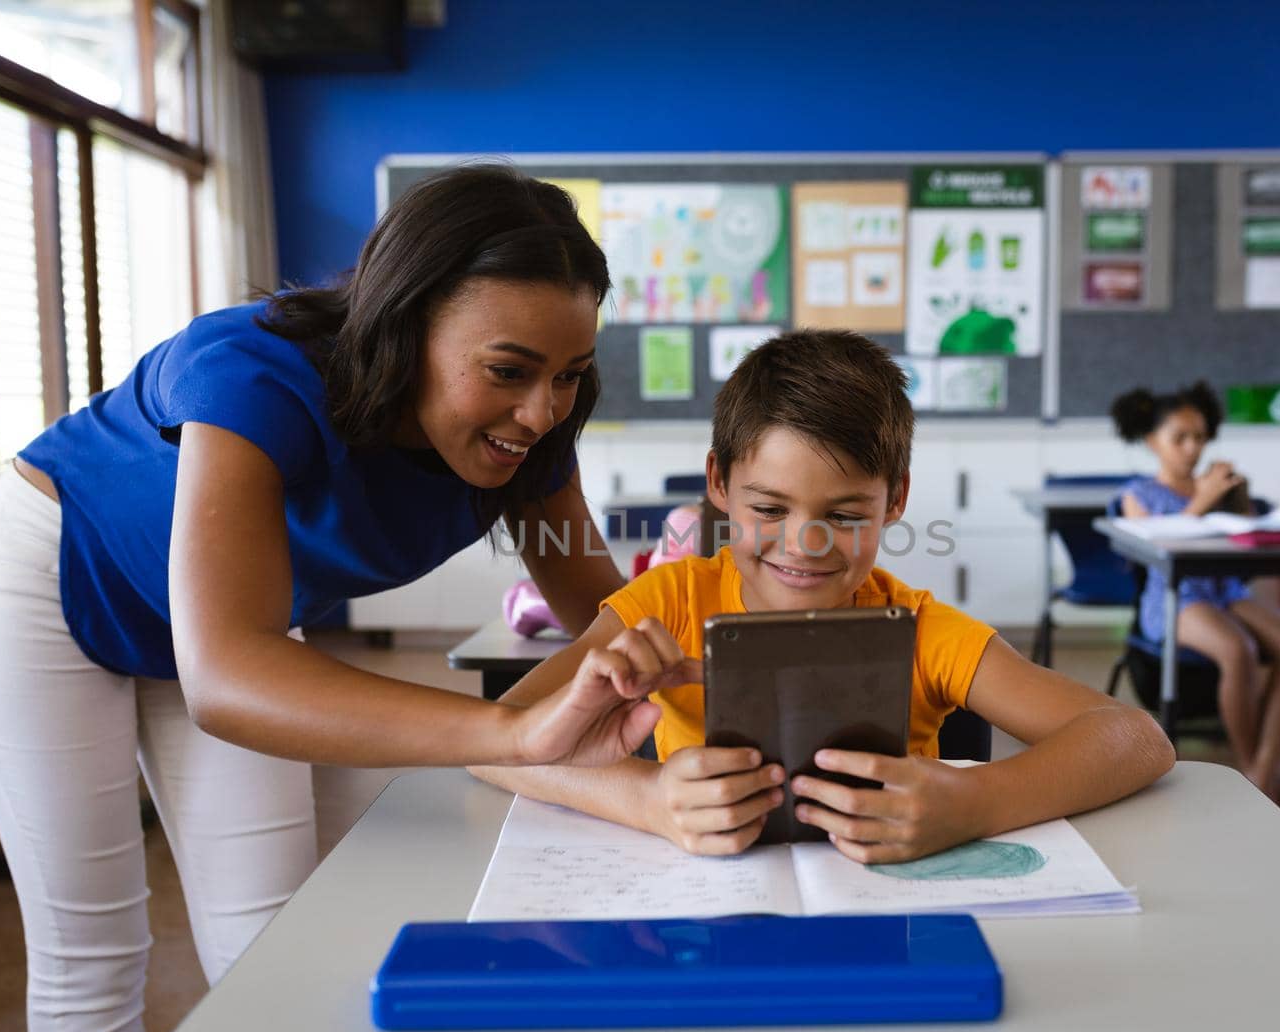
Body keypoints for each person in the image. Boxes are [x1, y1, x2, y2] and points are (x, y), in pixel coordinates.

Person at [0, 164, 687, 1032]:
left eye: (569, 374)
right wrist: (513, 735)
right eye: (509, 372)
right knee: (94, 949)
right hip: (45, 586)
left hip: (226, 625)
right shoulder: (255, 372)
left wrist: (696, 675)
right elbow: (228, 678)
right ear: (406, 325)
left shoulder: (531, 433)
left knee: (270, 933)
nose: (540, 411)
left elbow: (601, 614)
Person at [474, 330, 1174, 863]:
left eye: (843, 515)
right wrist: (647, 800)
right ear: (718, 482)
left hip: (890, 918)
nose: (804, 544)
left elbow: (1137, 739)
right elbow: (492, 736)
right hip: (710, 916)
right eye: (770, 509)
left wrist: (976, 802)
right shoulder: (671, 601)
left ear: (895, 498)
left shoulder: (922, 628)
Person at [1111, 382, 1280, 798]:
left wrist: (1236, 498)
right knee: (1238, 649)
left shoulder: (1215, 486)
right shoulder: (1138, 494)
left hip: (1226, 590)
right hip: (1175, 598)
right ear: (1153, 442)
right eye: (1179, 438)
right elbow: (1154, 544)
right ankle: (1251, 770)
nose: (1192, 448)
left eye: (1200, 437)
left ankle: (1262, 774)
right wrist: (1201, 502)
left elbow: (1247, 534)